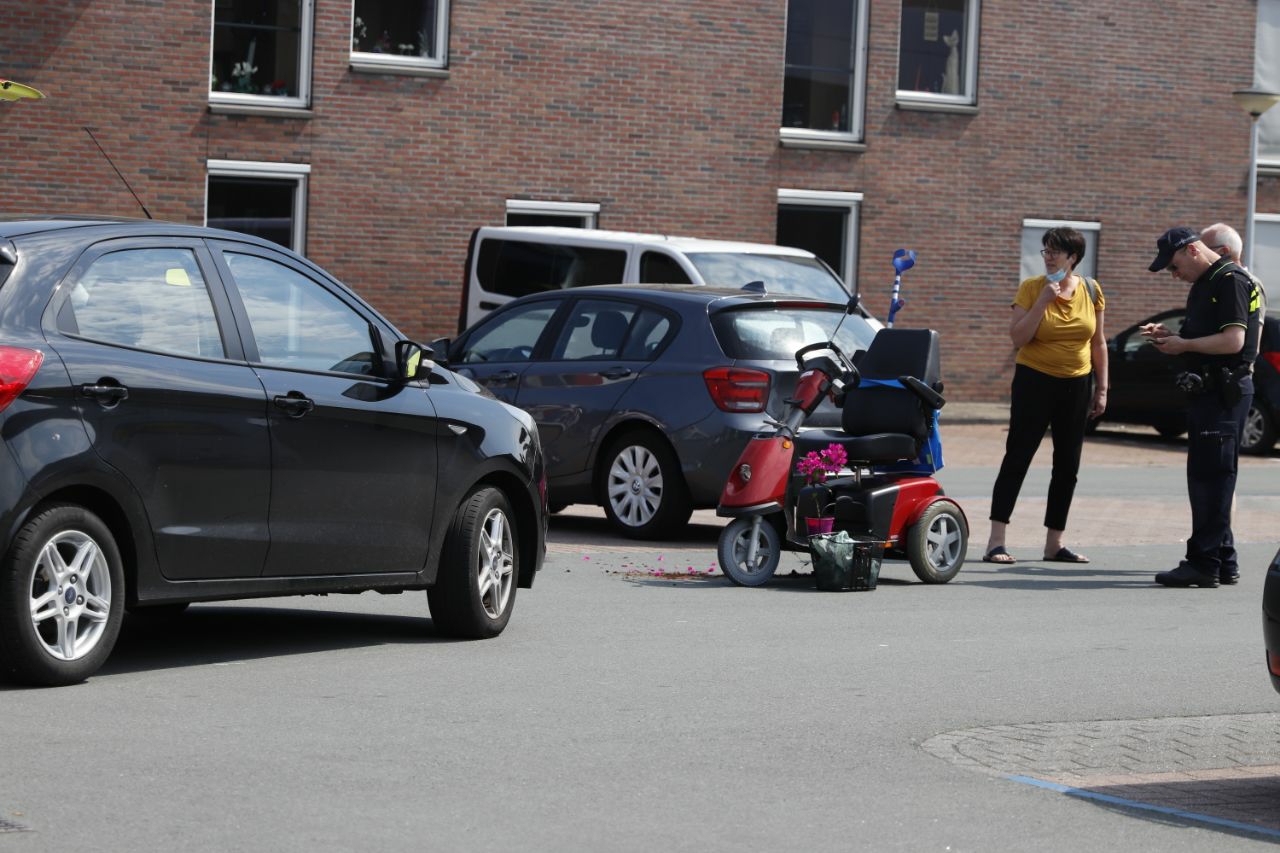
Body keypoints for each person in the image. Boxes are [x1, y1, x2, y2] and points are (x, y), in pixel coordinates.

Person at [1143, 227, 1262, 588]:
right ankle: (1223, 559)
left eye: (1175, 266)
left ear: (1193, 250)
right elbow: (1207, 335)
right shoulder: (1210, 281)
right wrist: (1173, 337)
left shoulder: (1229, 280)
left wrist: (1182, 347)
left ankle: (1203, 562)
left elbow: (1233, 340)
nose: (1173, 274)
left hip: (1221, 393)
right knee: (1213, 476)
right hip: (1212, 392)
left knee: (1210, 480)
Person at [984, 227, 1108, 565]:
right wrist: (1042, 302)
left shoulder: (1092, 290)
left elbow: (1098, 342)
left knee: (1067, 465)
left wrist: (1102, 388)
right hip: (1034, 382)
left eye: (1055, 251)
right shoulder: (1031, 288)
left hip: (1077, 385)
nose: (1048, 256)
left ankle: (1054, 543)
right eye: (1046, 250)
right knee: (1018, 457)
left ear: (1073, 258)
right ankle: (996, 541)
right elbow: (1018, 338)